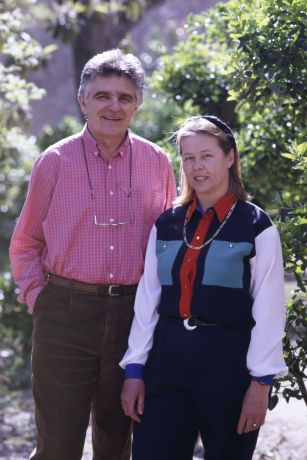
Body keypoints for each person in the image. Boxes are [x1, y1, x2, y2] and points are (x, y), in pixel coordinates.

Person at [9, 49, 176, 460]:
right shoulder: (54, 161)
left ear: (138, 103)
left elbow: (168, 243)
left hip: (133, 317)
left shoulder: (158, 162)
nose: (113, 106)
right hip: (65, 315)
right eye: (102, 95)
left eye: (124, 97)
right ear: (83, 101)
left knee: (117, 443)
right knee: (58, 446)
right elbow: (26, 241)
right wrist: (39, 298)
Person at [120, 115, 288, 460]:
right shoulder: (166, 224)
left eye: (207, 155)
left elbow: (270, 309)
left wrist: (260, 385)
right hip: (166, 362)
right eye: (188, 157)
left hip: (229, 363)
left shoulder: (256, 226)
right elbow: (147, 300)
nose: (197, 167)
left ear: (230, 158)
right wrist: (135, 370)